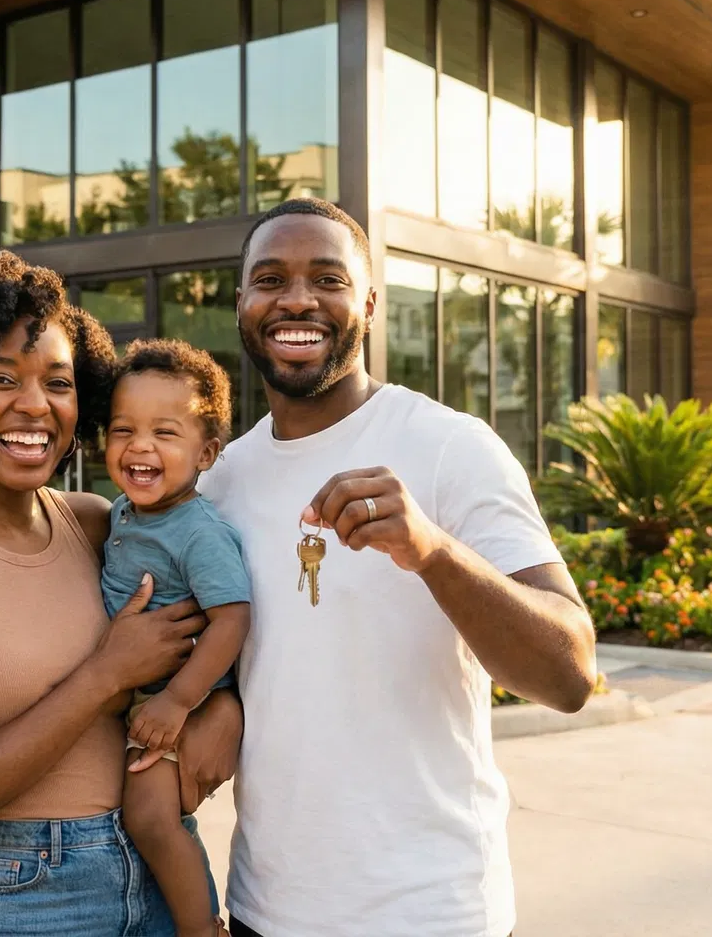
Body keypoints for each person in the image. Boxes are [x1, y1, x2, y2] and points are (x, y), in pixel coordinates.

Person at [201, 198, 599, 937]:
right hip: (266, 910)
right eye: (270, 279)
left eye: (328, 278)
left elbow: (570, 673)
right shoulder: (224, 480)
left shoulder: (451, 447)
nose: (296, 299)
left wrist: (433, 552)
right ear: (242, 305)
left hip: (432, 912)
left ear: (370, 304)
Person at [0, 249, 242, 937]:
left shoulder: (99, 522)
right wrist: (106, 675)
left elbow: (214, 625)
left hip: (157, 869)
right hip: (25, 896)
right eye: (1, 379)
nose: (35, 405)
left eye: (58, 383)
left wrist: (221, 711)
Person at [98, 339, 252, 937]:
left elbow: (233, 619)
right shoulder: (123, 513)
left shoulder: (198, 532)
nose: (140, 446)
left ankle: (199, 927)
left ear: (206, 452)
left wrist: (179, 700)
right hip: (147, 695)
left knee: (153, 820)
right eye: (123, 430)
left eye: (165, 433)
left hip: (176, 701)